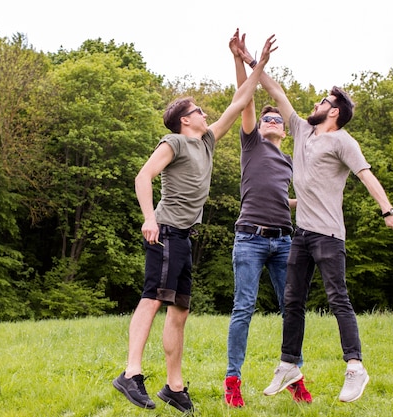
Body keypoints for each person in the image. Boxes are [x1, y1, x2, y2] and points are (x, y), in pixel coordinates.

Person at [112, 33, 277, 413]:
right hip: (165, 232)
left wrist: (251, 61)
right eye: (199, 110)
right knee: (152, 298)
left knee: (180, 311)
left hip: (184, 238)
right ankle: (131, 373)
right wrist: (149, 218)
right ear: (185, 120)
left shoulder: (206, 142)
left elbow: (240, 101)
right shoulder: (174, 142)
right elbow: (142, 178)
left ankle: (174, 386)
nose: (206, 114)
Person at [258, 64, 393, 403]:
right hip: (303, 234)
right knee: (292, 300)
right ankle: (288, 364)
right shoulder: (302, 131)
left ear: (333, 111)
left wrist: (388, 209)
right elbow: (276, 92)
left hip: (329, 236)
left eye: (322, 100)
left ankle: (355, 367)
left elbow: (366, 175)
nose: (315, 104)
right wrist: (253, 61)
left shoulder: (343, 141)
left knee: (338, 298)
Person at [222, 30, 312, 408]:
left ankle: (293, 373)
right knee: (244, 307)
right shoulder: (252, 144)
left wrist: (302, 203)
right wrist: (242, 60)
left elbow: (281, 197)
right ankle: (233, 382)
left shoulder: (289, 161)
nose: (273, 118)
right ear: (259, 127)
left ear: (283, 132)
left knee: (291, 308)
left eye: (277, 118)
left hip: (284, 241)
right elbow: (246, 100)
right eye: (268, 117)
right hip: (250, 239)